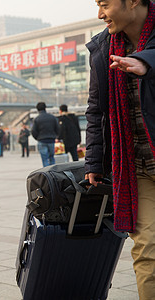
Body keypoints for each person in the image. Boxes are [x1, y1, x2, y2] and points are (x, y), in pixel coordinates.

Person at [85, 0, 155, 298]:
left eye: (105, 4)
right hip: (135, 165)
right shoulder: (102, 48)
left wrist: (147, 63)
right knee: (147, 250)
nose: (100, 14)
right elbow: (96, 110)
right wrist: (94, 163)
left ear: (133, 1)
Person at [31, 102, 60, 167]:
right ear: (45, 108)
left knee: (45, 160)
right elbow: (58, 128)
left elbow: (33, 131)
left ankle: (47, 174)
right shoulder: (52, 117)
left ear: (37, 109)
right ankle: (53, 173)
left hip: (42, 141)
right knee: (52, 158)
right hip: (51, 140)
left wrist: (38, 138)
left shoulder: (37, 119)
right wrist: (55, 136)